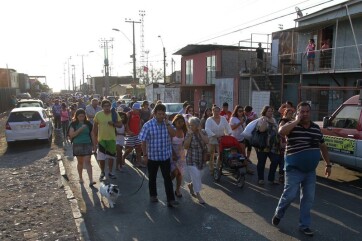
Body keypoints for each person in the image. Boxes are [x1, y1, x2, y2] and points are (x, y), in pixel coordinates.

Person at [272, 102, 331, 237]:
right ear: (298, 113)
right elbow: (281, 132)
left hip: (310, 171)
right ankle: (279, 213)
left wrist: (328, 164)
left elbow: (323, 147)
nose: (305, 114)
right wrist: (296, 120)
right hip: (294, 169)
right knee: (290, 195)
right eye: (302, 112)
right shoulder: (291, 126)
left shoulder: (316, 128)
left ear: (311, 113)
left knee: (308, 199)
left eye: (307, 111)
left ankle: (304, 225)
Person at [139, 103, 179, 207]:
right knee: (152, 177)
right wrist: (145, 155)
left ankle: (171, 199)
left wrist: (167, 124)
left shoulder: (168, 124)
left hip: (165, 156)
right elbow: (143, 141)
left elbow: (174, 134)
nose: (161, 116)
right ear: (155, 113)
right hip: (152, 157)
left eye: (163, 114)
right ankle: (153, 195)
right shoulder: (148, 125)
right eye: (159, 114)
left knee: (167, 178)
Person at [93, 99, 122, 181]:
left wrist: (114, 124)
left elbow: (120, 125)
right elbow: (94, 129)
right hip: (101, 139)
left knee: (111, 157)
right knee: (101, 158)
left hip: (112, 139)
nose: (107, 107)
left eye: (108, 106)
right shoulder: (98, 115)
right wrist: (94, 141)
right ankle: (102, 172)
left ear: (110, 106)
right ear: (102, 107)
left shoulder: (114, 114)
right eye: (105, 106)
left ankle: (110, 172)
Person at [68, 109, 97, 187]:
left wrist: (95, 145)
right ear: (76, 116)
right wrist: (81, 129)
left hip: (87, 144)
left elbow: (92, 135)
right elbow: (72, 135)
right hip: (77, 144)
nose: (82, 118)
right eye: (80, 116)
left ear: (85, 116)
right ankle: (80, 177)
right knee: (80, 162)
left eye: (83, 116)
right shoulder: (73, 124)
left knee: (88, 162)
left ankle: (91, 180)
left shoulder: (88, 124)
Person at [184, 117, 209, 204]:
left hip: (201, 158)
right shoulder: (189, 133)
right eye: (190, 125)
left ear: (197, 125)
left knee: (199, 175)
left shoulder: (203, 132)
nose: (190, 127)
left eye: (192, 125)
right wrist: (190, 135)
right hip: (191, 158)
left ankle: (191, 185)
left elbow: (206, 141)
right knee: (196, 176)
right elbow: (185, 146)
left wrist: (200, 132)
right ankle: (198, 195)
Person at [255, 106, 280, 185]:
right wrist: (265, 121)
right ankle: (261, 179)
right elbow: (261, 130)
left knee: (275, 161)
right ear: (265, 112)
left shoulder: (274, 120)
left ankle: (271, 178)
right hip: (263, 145)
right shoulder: (261, 120)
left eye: (271, 111)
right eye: (269, 111)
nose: (270, 113)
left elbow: (277, 131)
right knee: (262, 162)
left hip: (273, 146)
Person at [205, 105, 232, 175]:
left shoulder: (223, 118)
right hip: (212, 138)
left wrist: (229, 133)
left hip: (221, 139)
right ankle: (211, 169)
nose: (216, 112)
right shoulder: (209, 120)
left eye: (218, 111)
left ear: (220, 111)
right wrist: (215, 135)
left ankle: (217, 168)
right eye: (215, 111)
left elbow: (227, 126)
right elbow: (207, 129)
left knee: (220, 154)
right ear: (212, 111)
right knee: (211, 154)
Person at [229, 105, 254, 175]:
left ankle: (247, 168)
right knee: (234, 155)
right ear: (236, 111)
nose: (241, 112)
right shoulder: (233, 118)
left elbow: (245, 127)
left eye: (242, 111)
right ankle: (234, 168)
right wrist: (240, 122)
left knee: (243, 154)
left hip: (242, 138)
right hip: (234, 139)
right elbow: (232, 128)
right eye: (239, 111)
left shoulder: (244, 118)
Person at [123, 102, 145, 168]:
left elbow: (139, 123)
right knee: (130, 148)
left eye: (138, 109)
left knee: (139, 148)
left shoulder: (139, 114)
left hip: (137, 134)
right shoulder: (129, 114)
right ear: (133, 109)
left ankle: (139, 163)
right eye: (137, 109)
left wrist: (141, 131)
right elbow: (126, 124)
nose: (138, 111)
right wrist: (129, 131)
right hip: (130, 134)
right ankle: (122, 158)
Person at [171, 114, 187, 198]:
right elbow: (169, 143)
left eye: (182, 122)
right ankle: (168, 184)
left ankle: (177, 190)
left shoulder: (184, 130)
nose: (181, 123)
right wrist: (173, 154)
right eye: (179, 122)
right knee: (175, 172)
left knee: (180, 173)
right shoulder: (172, 130)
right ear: (175, 121)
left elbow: (184, 143)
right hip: (172, 153)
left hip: (181, 154)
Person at [277, 108, 294, 183]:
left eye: (291, 113)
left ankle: (287, 175)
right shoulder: (283, 121)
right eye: (289, 113)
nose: (290, 115)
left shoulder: (293, 121)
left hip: (290, 142)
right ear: (285, 114)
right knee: (283, 160)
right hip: (284, 142)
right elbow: (280, 132)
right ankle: (281, 175)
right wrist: (282, 142)